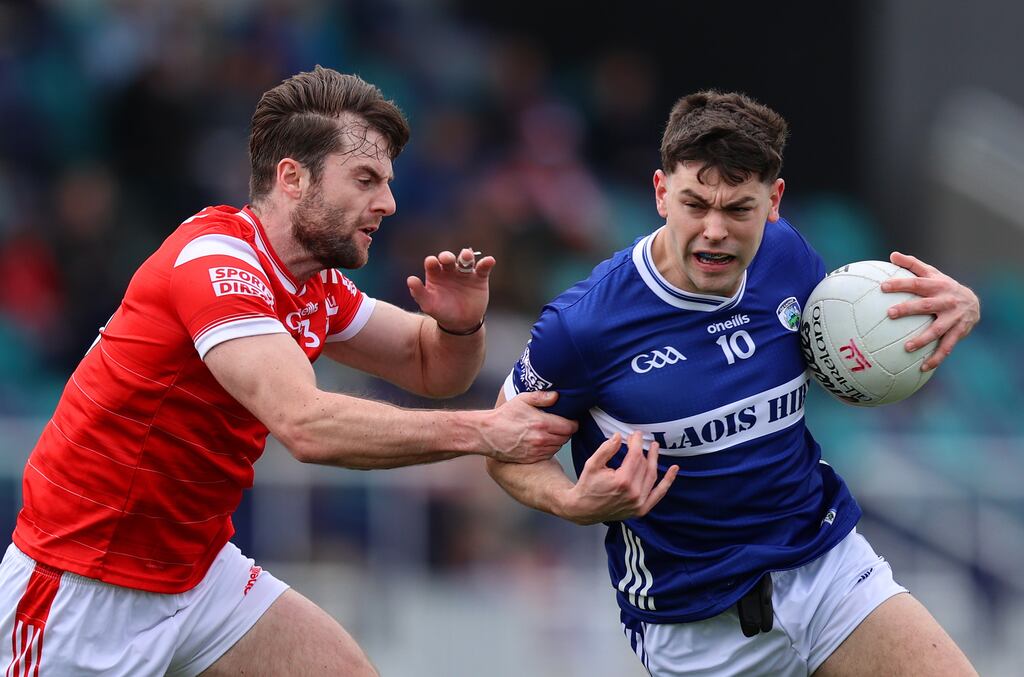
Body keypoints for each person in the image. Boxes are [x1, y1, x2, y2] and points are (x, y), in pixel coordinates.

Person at [0, 66, 578, 677]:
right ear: (293, 178)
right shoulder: (216, 262)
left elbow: (432, 366)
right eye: (366, 179)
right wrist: (484, 432)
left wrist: (461, 326)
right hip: (84, 582)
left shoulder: (312, 283)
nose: (388, 203)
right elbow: (306, 425)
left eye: (387, 182)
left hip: (196, 572)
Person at [487, 90, 981, 676]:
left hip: (828, 570)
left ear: (774, 200)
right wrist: (571, 503)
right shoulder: (583, 326)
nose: (715, 230)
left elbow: (847, 348)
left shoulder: (789, 257)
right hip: (696, 625)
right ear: (661, 192)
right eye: (695, 204)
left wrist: (952, 310)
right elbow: (503, 447)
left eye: (739, 209)